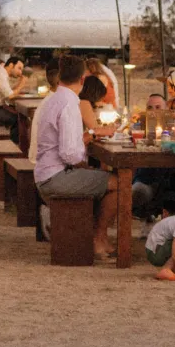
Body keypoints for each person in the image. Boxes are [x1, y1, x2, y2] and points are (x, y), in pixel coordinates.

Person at [32, 55, 118, 259]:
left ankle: (95, 236)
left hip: (44, 172)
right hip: (55, 177)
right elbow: (69, 154)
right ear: (82, 79)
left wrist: (89, 137)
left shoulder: (54, 99)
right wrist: (88, 142)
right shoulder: (70, 104)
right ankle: (98, 238)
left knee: (97, 177)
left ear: (60, 76)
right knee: (118, 182)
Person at [0, 54, 28, 129]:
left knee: (20, 114)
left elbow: (9, 92)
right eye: (19, 68)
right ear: (11, 65)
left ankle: (18, 139)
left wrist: (20, 84)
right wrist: (22, 84)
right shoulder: (0, 75)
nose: (20, 73)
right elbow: (10, 96)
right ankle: (18, 139)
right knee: (19, 119)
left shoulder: (2, 72)